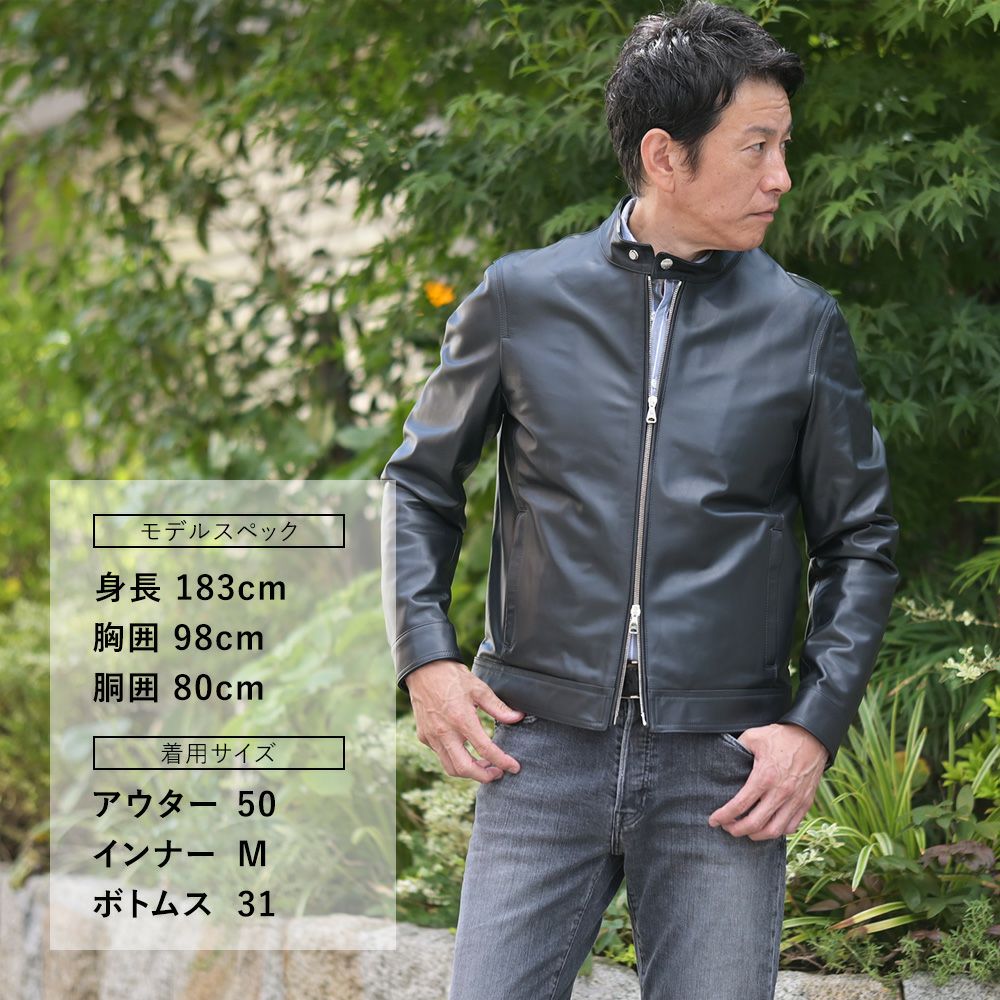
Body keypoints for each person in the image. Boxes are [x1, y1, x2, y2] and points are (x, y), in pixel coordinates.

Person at [379, 2, 900, 997]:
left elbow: (860, 541)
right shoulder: (522, 299)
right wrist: (426, 658)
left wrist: (812, 724)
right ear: (665, 155)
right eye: (756, 147)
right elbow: (418, 482)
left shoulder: (800, 325)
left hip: (722, 765)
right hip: (539, 748)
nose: (781, 177)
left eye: (783, 146)